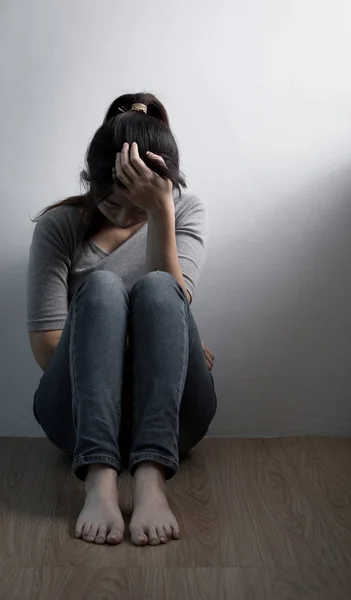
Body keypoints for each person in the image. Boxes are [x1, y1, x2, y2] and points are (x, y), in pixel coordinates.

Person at [27, 92, 217, 547]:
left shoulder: (183, 211)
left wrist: (161, 213)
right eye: (115, 204)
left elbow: (172, 304)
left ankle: (152, 477)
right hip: (79, 414)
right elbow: (48, 351)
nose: (128, 217)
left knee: (157, 287)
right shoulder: (60, 226)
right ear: (92, 183)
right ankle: (99, 477)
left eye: (141, 205)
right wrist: (148, 343)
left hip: (172, 417)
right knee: (103, 287)